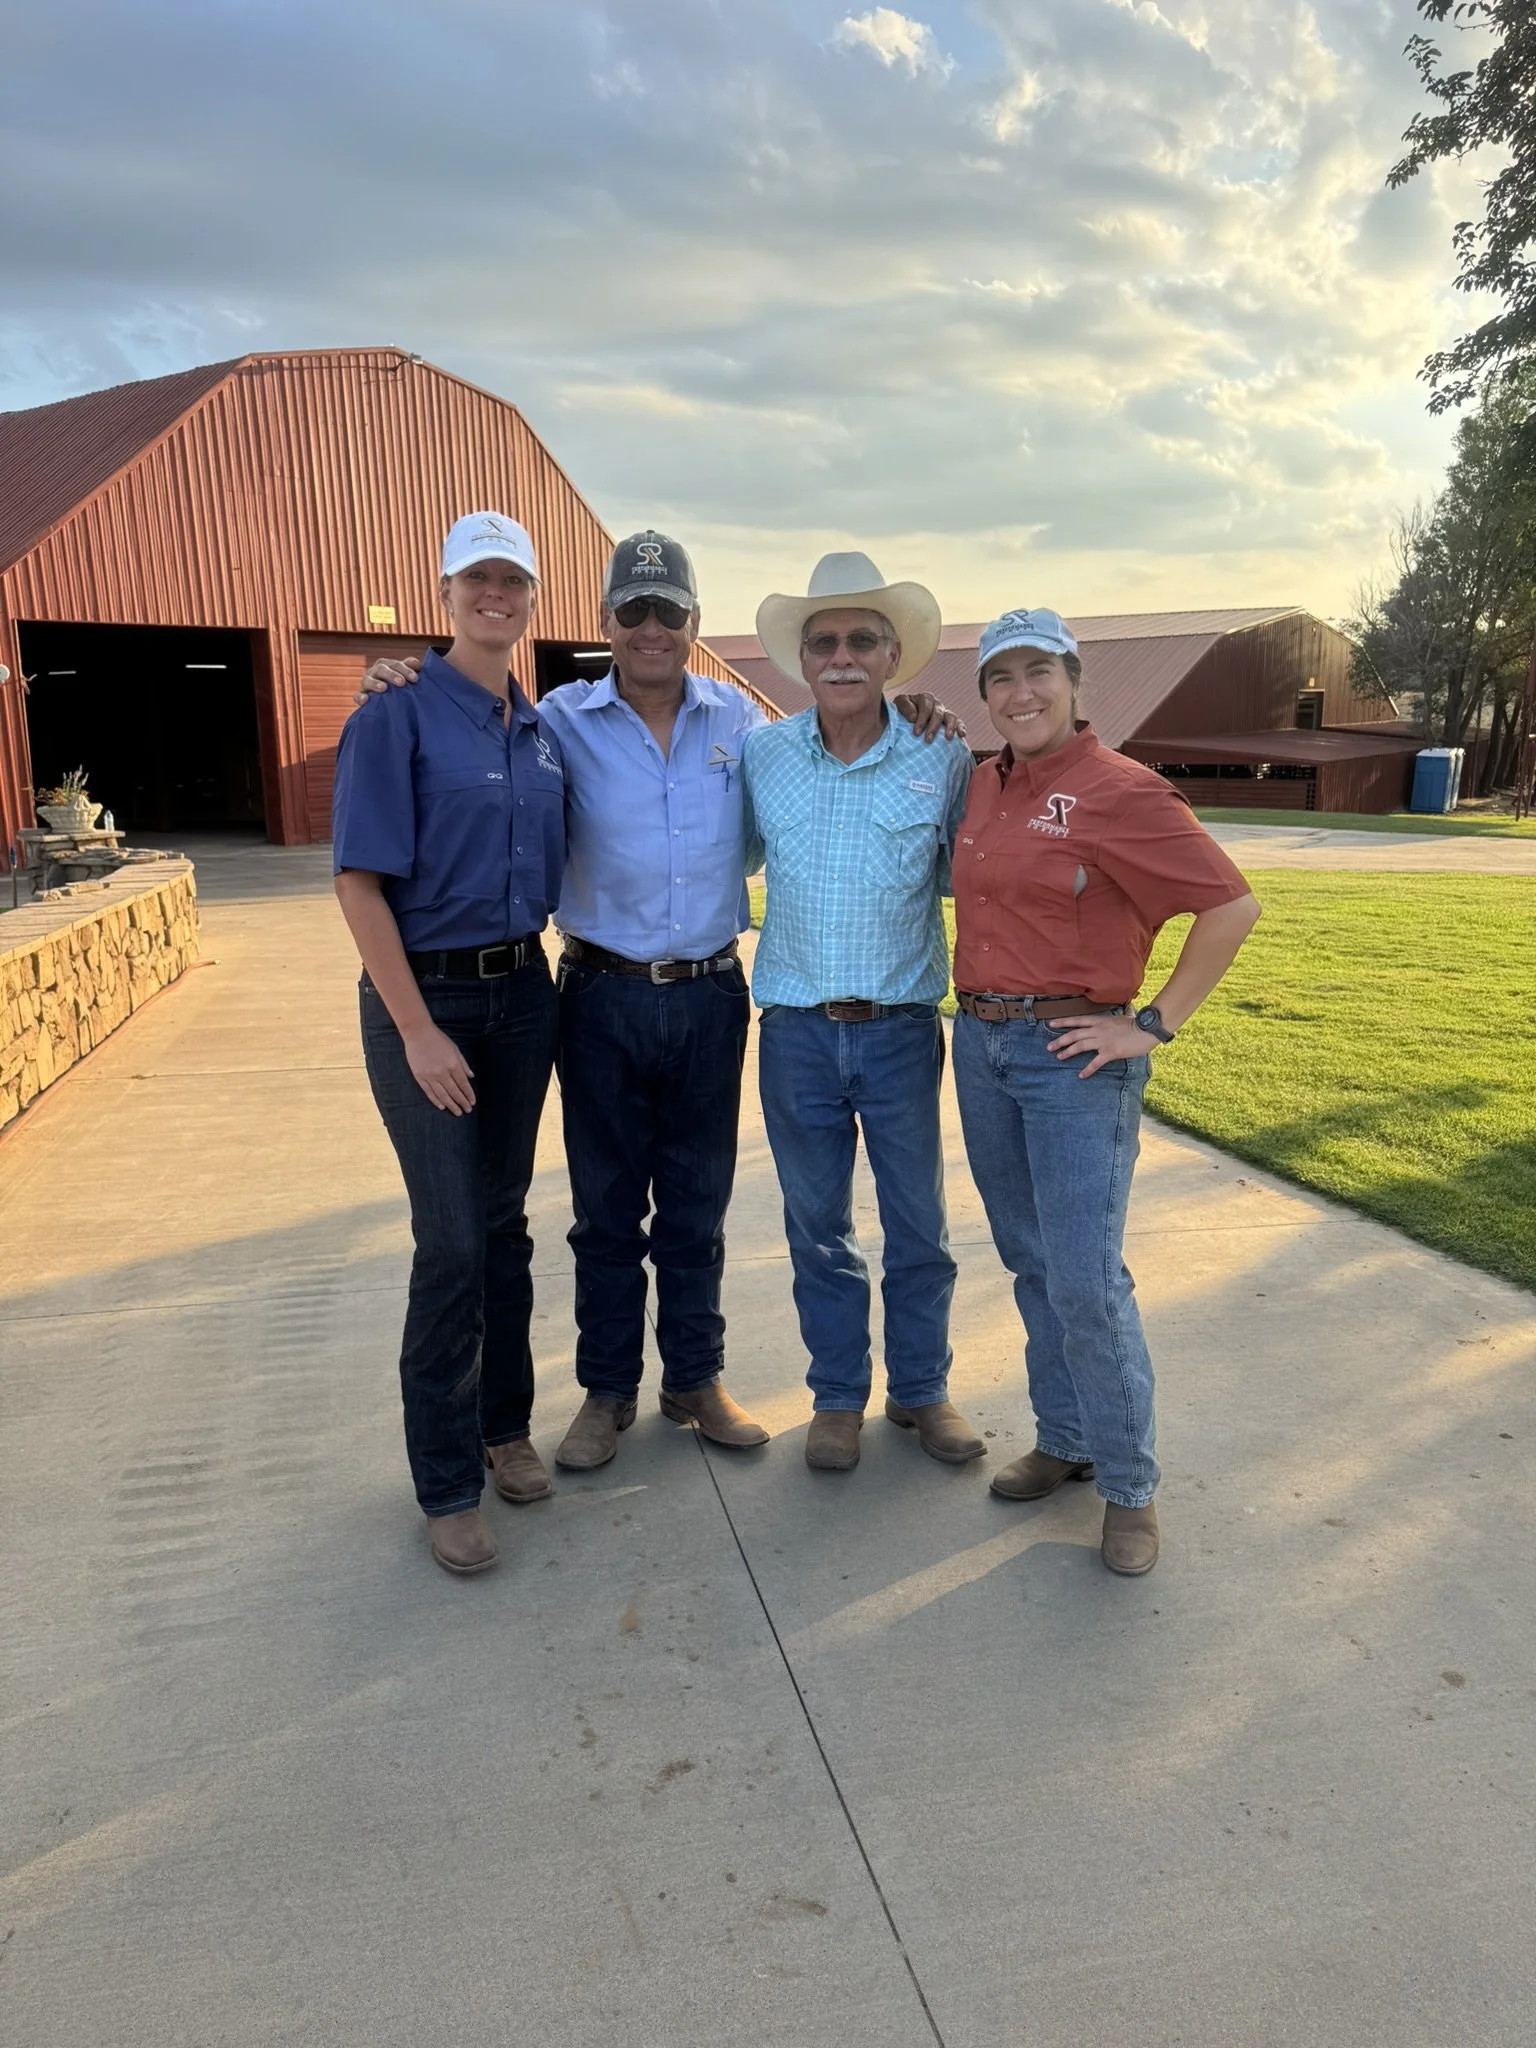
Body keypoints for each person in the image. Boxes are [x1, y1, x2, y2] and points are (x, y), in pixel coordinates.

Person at [358, 532, 962, 1475]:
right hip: (597, 992)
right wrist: (401, 672)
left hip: (712, 992)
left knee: (696, 1204)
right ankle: (608, 1389)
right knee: (604, 1211)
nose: (650, 628)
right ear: (604, 621)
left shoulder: (745, 727)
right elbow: (471, 713)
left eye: (668, 611)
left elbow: (840, 737)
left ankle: (695, 1376)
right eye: (631, 611)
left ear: (693, 623)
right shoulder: (554, 719)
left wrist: (915, 708)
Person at [949, 608, 1261, 1575]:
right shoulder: (983, 783)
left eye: (1038, 671)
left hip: (1074, 1057)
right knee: (1031, 1257)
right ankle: (1067, 1437)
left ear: (1076, 681)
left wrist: (1153, 1022)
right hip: (982, 1043)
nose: (1020, 692)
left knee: (1087, 1276)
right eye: (1000, 677)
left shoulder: (1123, 790)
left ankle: (1130, 1490)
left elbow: (1231, 905)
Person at [332, 512, 566, 1577]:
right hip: (425, 1000)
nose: (497, 595)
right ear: (444, 593)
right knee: (452, 1241)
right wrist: (419, 1030)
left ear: (529, 598)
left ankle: (503, 1424)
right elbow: (358, 881)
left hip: (523, 989)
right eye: (478, 577)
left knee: (505, 1222)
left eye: (513, 579)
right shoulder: (397, 716)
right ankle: (445, 1480)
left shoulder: (542, 729)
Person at [743, 554, 982, 1473]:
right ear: (803, 661)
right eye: (825, 642)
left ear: (894, 657)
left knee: (918, 1223)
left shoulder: (941, 752)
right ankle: (837, 1397)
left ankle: (922, 1391)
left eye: (862, 640)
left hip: (900, 1030)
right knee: (818, 1227)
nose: (842, 656)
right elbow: (727, 853)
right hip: (797, 1031)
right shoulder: (764, 754)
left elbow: (973, 876)